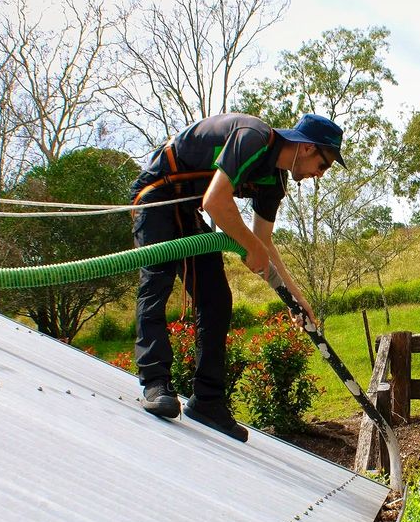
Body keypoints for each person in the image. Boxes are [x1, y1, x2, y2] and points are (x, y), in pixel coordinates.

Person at [129, 112, 344, 441]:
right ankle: (155, 383)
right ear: (308, 149)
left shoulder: (274, 182)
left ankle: (208, 401)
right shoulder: (254, 137)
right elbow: (215, 201)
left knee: (216, 298)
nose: (319, 175)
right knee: (157, 281)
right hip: (158, 193)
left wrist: (296, 300)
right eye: (324, 165)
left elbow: (264, 243)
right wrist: (249, 246)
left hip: (187, 211)